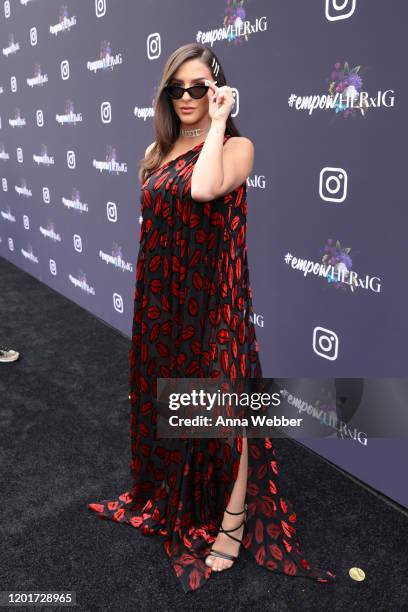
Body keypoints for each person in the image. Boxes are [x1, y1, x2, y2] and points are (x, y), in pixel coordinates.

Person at [88, 42, 337, 593]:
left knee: (226, 406)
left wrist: (219, 121)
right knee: (173, 401)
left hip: (213, 299)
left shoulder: (238, 147)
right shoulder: (157, 152)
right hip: (162, 299)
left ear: (217, 89)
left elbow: (203, 189)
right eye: (176, 88)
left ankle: (232, 523)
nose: (186, 97)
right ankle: (175, 493)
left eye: (198, 87)